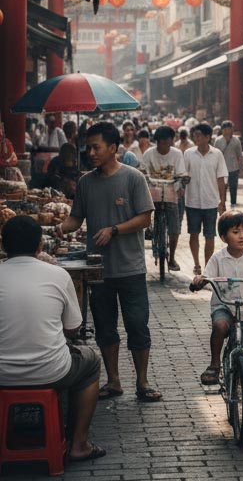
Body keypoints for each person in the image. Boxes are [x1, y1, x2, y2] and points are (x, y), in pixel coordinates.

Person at [57, 122, 161, 403]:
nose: (90, 152)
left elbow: (145, 218)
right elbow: (77, 217)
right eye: (88, 147)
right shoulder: (86, 182)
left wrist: (114, 229)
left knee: (137, 325)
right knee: (104, 326)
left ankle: (142, 381)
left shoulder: (132, 178)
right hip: (97, 268)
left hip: (131, 268)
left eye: (96, 147)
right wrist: (60, 227)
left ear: (112, 148)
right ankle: (114, 381)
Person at [0, 215, 105, 462]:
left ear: (4, 245)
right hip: (51, 371)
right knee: (91, 361)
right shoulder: (57, 274)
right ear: (39, 246)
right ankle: (78, 444)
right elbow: (73, 328)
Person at [190, 211, 243, 410]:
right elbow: (207, 275)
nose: (241, 236)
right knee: (220, 326)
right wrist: (199, 281)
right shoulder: (218, 258)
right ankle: (214, 365)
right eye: (236, 231)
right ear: (223, 237)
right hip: (224, 306)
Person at [141, 125, 187, 271]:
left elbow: (181, 173)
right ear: (157, 142)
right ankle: (148, 230)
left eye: (168, 142)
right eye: (162, 142)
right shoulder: (149, 154)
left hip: (170, 193)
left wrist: (182, 181)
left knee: (174, 227)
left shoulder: (177, 154)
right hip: (152, 193)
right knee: (143, 216)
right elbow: (143, 170)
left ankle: (172, 257)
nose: (165, 145)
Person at [185, 123, 228, 275]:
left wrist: (222, 201)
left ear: (208, 137)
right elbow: (184, 175)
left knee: (210, 235)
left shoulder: (217, 155)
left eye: (199, 135)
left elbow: (221, 178)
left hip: (211, 201)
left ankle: (207, 267)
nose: (196, 138)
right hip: (192, 201)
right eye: (195, 135)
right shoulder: (189, 154)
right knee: (193, 233)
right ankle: (196, 264)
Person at [214, 120, 243, 207]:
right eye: (225, 129)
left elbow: (239, 154)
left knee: (233, 186)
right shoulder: (218, 141)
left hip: (233, 167)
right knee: (223, 186)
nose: (227, 131)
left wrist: (240, 167)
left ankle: (233, 202)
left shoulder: (236, 140)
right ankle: (223, 201)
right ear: (222, 130)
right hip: (222, 167)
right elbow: (215, 154)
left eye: (229, 129)